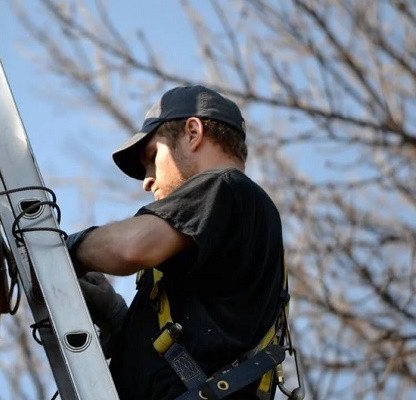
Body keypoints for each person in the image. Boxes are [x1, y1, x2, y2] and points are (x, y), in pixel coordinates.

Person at [67, 85, 285, 400]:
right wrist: (119, 321)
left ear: (193, 133)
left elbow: (132, 247)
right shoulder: (229, 225)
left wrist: (67, 249)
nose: (147, 180)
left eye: (153, 157)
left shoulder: (225, 188)